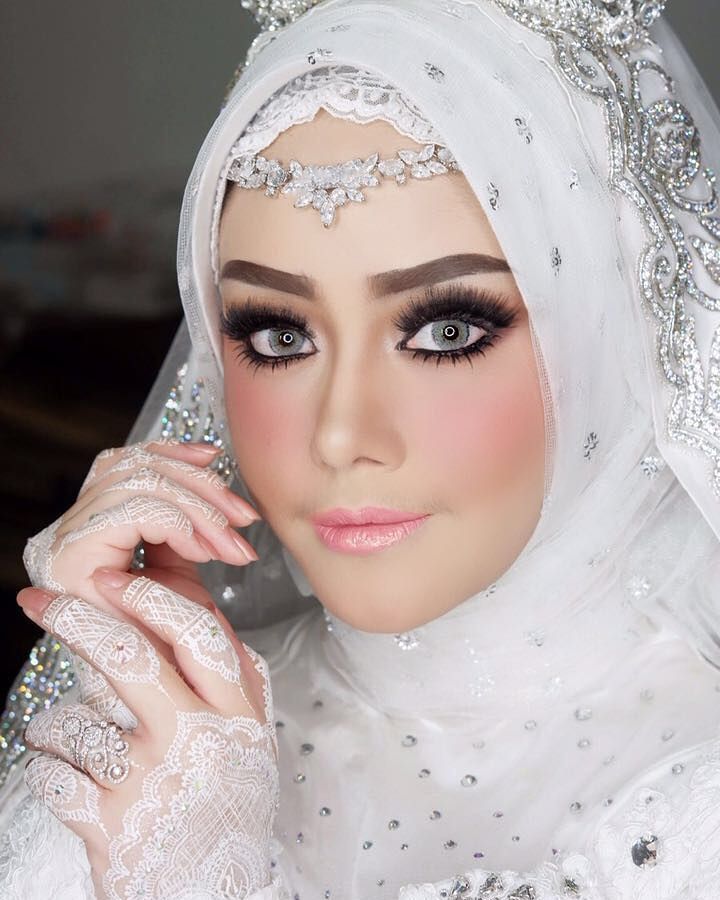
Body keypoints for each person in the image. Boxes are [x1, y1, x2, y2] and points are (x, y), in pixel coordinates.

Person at [1, 0, 720, 897]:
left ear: (618, 336)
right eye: (278, 336)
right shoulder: (156, 752)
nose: (340, 435)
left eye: (448, 331)